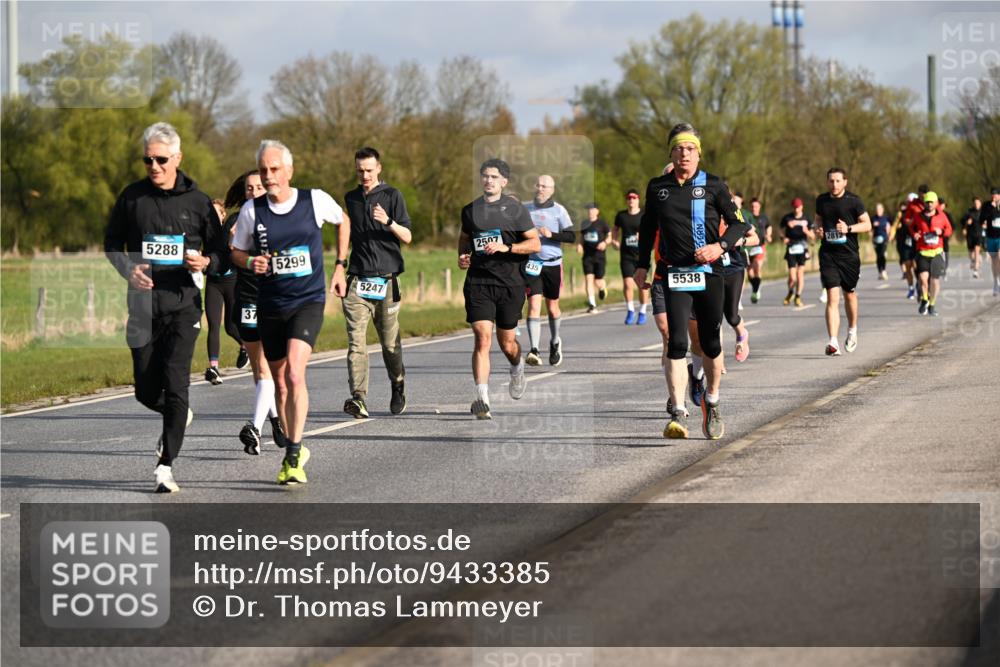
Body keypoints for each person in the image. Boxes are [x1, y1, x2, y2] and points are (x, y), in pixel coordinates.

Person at [104, 121, 228, 493]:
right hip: (142, 306)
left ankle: (165, 465)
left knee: (176, 384)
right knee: (145, 390)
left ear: (177, 158)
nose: (153, 166)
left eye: (160, 159)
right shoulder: (132, 198)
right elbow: (111, 243)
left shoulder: (198, 202)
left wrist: (207, 263)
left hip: (183, 306)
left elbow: (221, 251)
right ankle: (178, 415)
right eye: (147, 160)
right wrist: (129, 271)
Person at [231, 140, 345, 485]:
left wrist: (340, 266)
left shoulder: (315, 200)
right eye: (264, 170)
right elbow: (236, 251)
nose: (268, 176)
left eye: (275, 169)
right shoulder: (253, 211)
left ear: (289, 171)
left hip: (307, 302)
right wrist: (251, 261)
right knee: (279, 383)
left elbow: (344, 221)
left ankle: (293, 453)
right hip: (271, 305)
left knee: (295, 375)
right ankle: (293, 446)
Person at [635, 123, 749, 440]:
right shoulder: (658, 187)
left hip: (710, 274)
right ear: (671, 153)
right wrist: (641, 265)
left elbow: (741, 226)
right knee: (677, 342)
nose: (684, 153)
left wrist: (720, 246)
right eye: (678, 148)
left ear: (698, 153)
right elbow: (646, 229)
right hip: (674, 273)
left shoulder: (714, 185)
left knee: (710, 343)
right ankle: (678, 412)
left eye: (689, 148)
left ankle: (712, 401)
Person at [458, 158, 540, 419]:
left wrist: (508, 248)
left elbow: (535, 244)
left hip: (510, 284)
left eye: (494, 177)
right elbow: (464, 240)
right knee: (482, 337)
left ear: (504, 182)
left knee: (507, 344)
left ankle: (517, 367)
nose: (488, 180)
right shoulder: (470, 210)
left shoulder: (516, 210)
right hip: (479, 282)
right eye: (484, 176)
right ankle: (482, 398)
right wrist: (463, 256)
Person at [339, 147, 412, 419]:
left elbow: (407, 237)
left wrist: (389, 221)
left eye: (369, 170)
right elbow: (344, 232)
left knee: (389, 344)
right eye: (360, 170)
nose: (365, 175)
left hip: (387, 280)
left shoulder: (393, 196)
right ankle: (358, 397)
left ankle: (398, 383)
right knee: (356, 343)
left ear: (379, 168)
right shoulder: (351, 198)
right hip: (357, 280)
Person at [226, 169, 289, 456]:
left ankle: (257, 425)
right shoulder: (234, 221)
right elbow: (223, 261)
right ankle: (271, 420)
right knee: (259, 369)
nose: (253, 192)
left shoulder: (279, 218)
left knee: (269, 370)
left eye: (258, 188)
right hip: (247, 299)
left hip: (274, 300)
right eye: (249, 188)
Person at [814, 167, 872, 356]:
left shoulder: (853, 201)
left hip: (849, 256)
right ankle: (833, 342)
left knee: (849, 295)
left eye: (838, 181)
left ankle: (852, 330)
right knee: (832, 297)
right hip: (828, 254)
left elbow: (867, 224)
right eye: (831, 181)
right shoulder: (821, 200)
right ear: (827, 182)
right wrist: (818, 230)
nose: (834, 184)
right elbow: (818, 220)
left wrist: (849, 228)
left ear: (845, 182)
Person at [523, 175, 575, 366]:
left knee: (552, 309)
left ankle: (554, 341)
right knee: (534, 306)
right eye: (538, 184)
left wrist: (550, 235)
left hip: (553, 264)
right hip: (532, 264)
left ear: (552, 190)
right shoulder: (525, 208)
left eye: (544, 186)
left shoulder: (559, 210)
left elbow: (571, 236)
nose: (540, 188)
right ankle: (534, 349)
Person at [202, 198, 245, 385]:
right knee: (213, 325)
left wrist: (231, 239)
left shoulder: (232, 228)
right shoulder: (205, 231)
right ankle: (214, 368)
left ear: (223, 214)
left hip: (232, 281)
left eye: (216, 213)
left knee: (231, 327)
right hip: (213, 282)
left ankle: (246, 345)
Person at [911, 191, 952, 316]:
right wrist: (915, 234)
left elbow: (949, 230)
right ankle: (925, 299)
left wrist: (942, 232)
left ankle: (932, 304)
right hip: (923, 252)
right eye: (927, 202)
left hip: (937, 253)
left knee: (935, 281)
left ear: (936, 203)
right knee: (923, 279)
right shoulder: (918, 216)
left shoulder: (942, 216)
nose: (929, 204)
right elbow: (912, 227)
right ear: (924, 203)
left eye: (931, 202)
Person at [613, 189, 649, 324]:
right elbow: (615, 229)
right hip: (626, 255)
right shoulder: (621, 215)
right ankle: (630, 310)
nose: (631, 200)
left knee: (641, 284)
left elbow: (652, 230)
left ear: (638, 199)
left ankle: (643, 310)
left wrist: (643, 236)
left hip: (641, 256)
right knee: (628, 283)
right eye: (629, 198)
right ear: (626, 200)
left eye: (634, 198)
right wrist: (614, 240)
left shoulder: (643, 215)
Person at [578, 202, 611, 313]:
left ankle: (602, 288)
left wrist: (605, 243)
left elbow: (609, 236)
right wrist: (580, 245)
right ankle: (592, 305)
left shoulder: (602, 223)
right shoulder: (584, 223)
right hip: (587, 256)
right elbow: (582, 237)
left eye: (592, 209)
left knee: (598, 281)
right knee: (588, 279)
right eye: (588, 209)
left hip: (599, 256)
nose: (590, 211)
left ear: (597, 211)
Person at [780, 198, 813, 305]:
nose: (796, 209)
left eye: (798, 207)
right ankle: (790, 292)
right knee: (792, 277)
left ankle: (798, 296)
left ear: (802, 206)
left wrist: (807, 231)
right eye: (794, 207)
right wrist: (783, 238)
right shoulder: (787, 218)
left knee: (800, 274)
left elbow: (813, 236)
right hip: (791, 248)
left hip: (802, 247)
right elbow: (780, 231)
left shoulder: (807, 218)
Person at [746, 197, 772, 302]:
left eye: (756, 206)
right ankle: (755, 288)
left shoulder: (764, 217)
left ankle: (756, 291)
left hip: (760, 246)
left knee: (757, 266)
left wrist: (768, 235)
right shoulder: (747, 216)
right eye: (752, 206)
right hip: (749, 247)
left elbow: (769, 226)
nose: (754, 208)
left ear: (759, 207)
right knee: (750, 273)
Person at [982, 187, 1000, 296]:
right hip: (990, 236)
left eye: (996, 194)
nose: (994, 196)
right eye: (992, 194)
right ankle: (996, 282)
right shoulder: (986, 205)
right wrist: (991, 209)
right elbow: (982, 218)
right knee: (994, 262)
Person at [963, 197, 983, 278]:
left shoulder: (983, 212)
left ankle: (976, 271)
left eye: (978, 203)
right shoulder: (969, 212)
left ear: (980, 204)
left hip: (978, 234)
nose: (976, 205)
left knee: (977, 251)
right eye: (975, 203)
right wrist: (966, 223)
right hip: (970, 235)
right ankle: (974, 261)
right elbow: (962, 220)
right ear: (973, 204)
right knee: (971, 254)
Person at [870, 202, 891, 280]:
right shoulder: (873, 218)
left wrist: (889, 234)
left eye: (879, 209)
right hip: (876, 239)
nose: (878, 210)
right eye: (877, 209)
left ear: (882, 210)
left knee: (882, 255)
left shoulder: (886, 218)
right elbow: (870, 229)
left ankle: (884, 271)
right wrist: (871, 238)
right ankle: (880, 272)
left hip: (884, 239)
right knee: (878, 256)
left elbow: (890, 226)